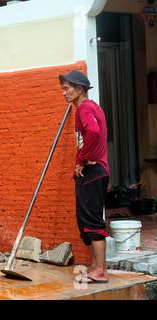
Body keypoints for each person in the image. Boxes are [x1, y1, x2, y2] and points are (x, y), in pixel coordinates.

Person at [59, 70, 110, 284]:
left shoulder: (85, 108)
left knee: (91, 222)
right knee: (85, 221)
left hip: (93, 171)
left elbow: (94, 133)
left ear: (80, 89)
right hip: (95, 172)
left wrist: (82, 159)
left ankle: (100, 271)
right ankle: (96, 267)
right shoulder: (92, 107)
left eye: (67, 88)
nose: (64, 93)